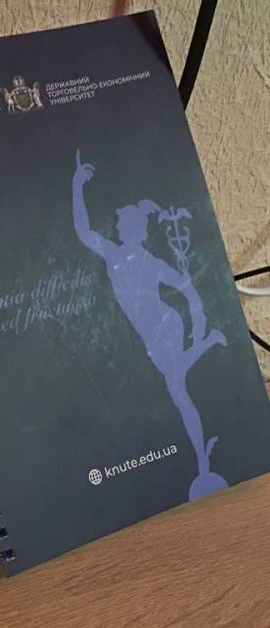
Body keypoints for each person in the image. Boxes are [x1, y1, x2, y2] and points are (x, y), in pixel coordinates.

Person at [72, 150, 227, 498]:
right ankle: (208, 344)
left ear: (133, 229)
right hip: (158, 330)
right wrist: (76, 187)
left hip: (164, 328)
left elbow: (187, 287)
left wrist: (199, 318)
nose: (117, 228)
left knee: (179, 391)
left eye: (122, 224)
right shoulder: (116, 254)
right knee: (178, 385)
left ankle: (203, 467)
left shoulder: (142, 260)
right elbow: (83, 232)